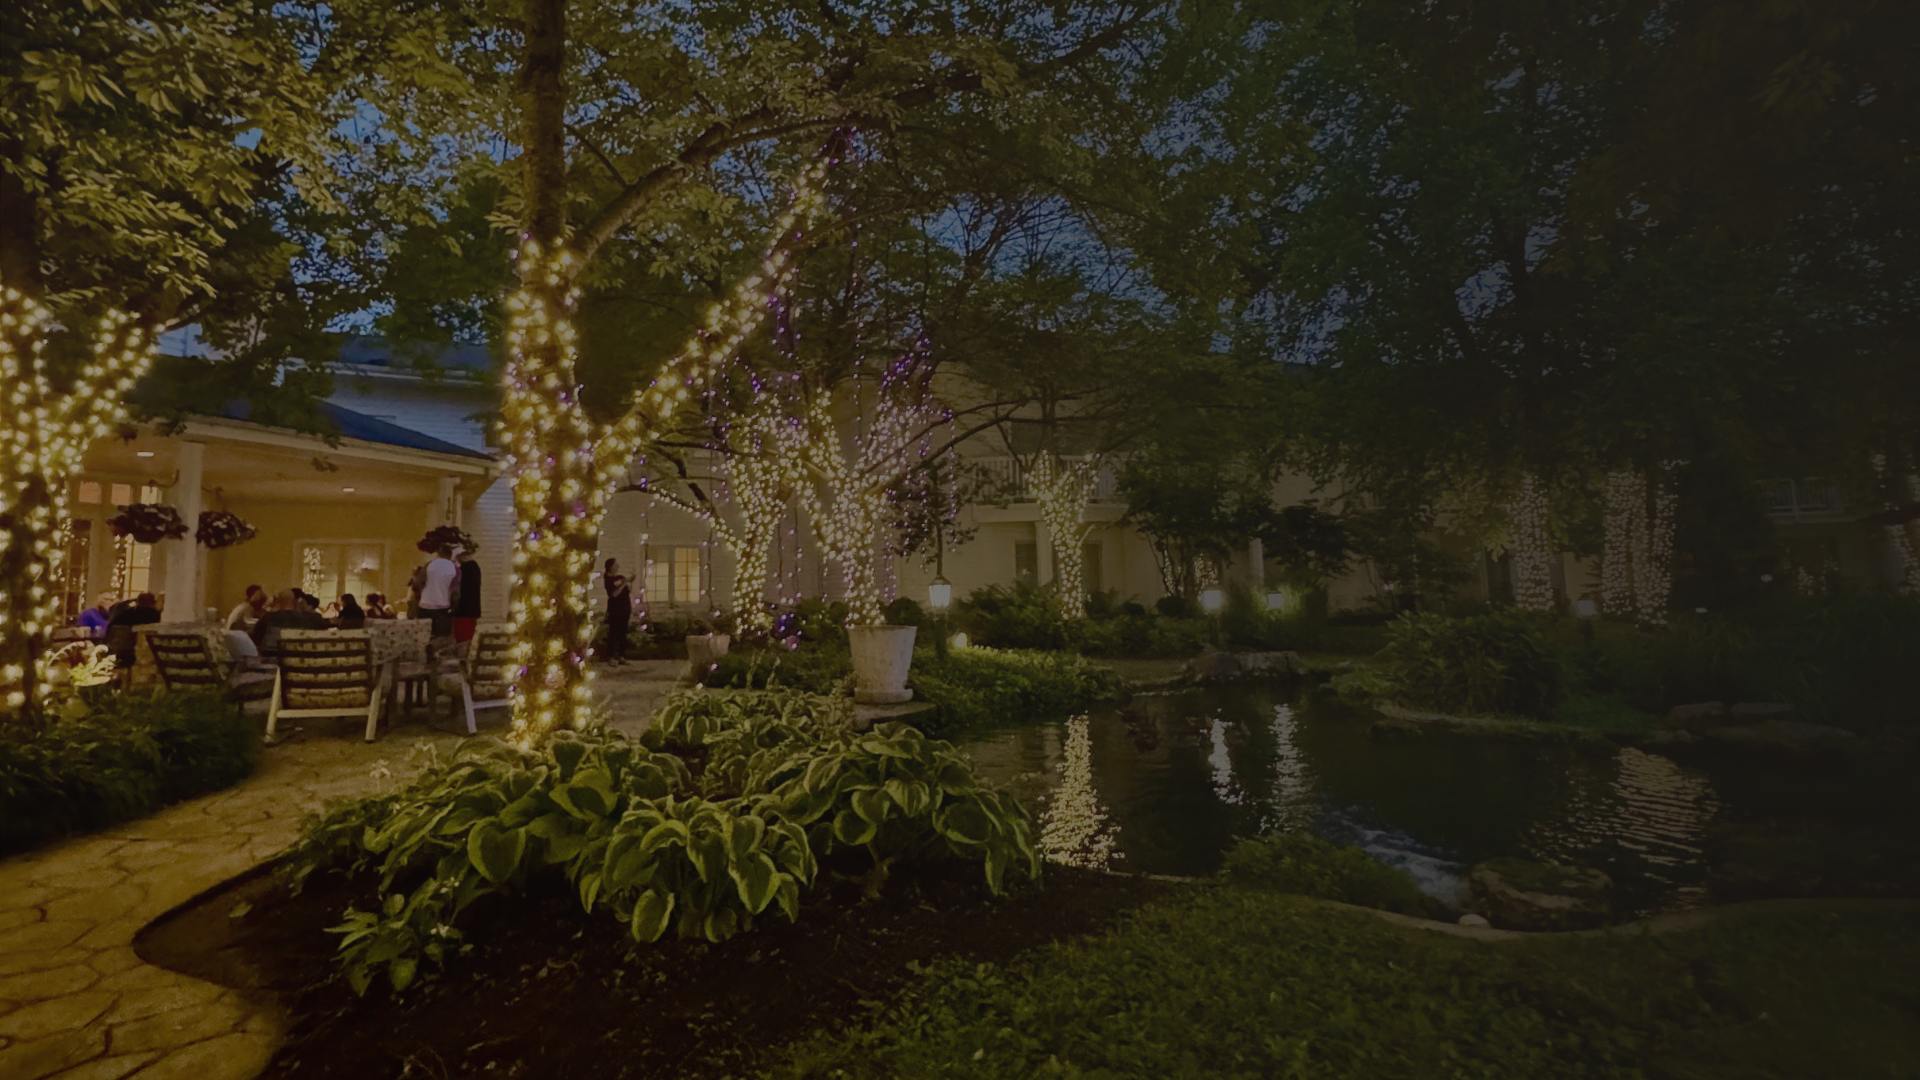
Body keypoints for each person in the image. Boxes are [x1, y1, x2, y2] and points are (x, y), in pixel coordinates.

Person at [252, 589, 329, 656]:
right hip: (300, 659)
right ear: (295, 601)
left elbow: (256, 638)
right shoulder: (311, 618)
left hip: (273, 659)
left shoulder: (268, 618)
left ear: (278, 602)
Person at [105, 592, 160, 664]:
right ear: (153, 603)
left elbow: (110, 626)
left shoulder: (127, 613)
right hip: (134, 652)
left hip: (115, 648)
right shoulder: (153, 614)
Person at [416, 545, 459, 638]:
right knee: (441, 638)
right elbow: (455, 591)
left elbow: (418, 582)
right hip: (442, 609)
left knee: (423, 637)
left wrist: (421, 595)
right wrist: (454, 607)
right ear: (450, 555)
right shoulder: (455, 568)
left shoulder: (429, 565)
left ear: (439, 554)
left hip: (425, 606)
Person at [602, 557, 631, 665]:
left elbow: (628, 590)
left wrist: (629, 582)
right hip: (615, 609)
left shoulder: (620, 577)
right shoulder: (608, 580)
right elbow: (614, 594)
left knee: (623, 632)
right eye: (615, 565)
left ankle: (621, 655)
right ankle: (611, 656)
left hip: (625, 608)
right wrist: (623, 584)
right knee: (613, 632)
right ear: (610, 567)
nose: (617, 567)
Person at [452, 548, 483, 643]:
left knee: (462, 638)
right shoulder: (475, 567)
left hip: (463, 608)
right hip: (473, 608)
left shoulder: (463, 569)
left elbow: (458, 589)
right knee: (469, 637)